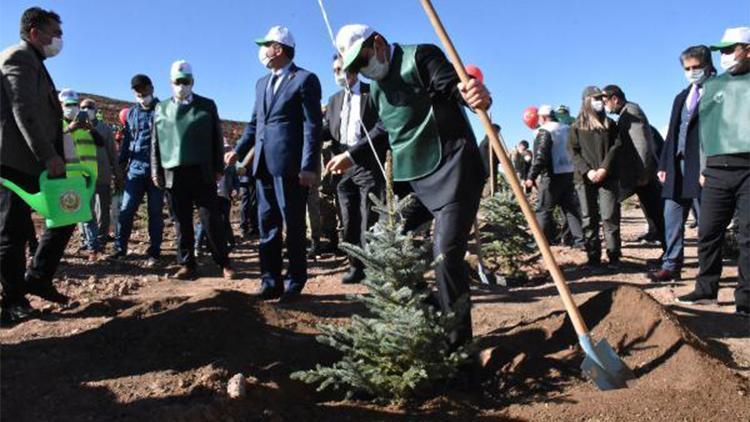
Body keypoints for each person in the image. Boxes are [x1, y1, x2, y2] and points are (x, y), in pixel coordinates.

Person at [325, 25, 490, 349]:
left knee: (445, 258)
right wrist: (349, 154)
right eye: (356, 66)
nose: (364, 69)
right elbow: (384, 129)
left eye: (365, 58)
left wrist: (473, 94)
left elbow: (453, 87)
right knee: (380, 246)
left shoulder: (421, 56)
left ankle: (461, 357)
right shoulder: (378, 89)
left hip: (455, 172)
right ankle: (432, 318)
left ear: (379, 42)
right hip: (417, 180)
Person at [226, 26, 322, 302]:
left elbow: (312, 126)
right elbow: (255, 124)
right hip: (263, 166)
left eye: (266, 45)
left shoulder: (304, 80)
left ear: (279, 49)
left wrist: (308, 165)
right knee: (267, 224)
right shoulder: (261, 83)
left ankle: (294, 282)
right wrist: (238, 150)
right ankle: (270, 280)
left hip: (291, 167)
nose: (262, 51)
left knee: (293, 224)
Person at [0, 7, 71, 323]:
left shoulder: (36, 63)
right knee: (12, 233)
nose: (59, 39)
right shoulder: (19, 58)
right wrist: (48, 155)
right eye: (54, 32)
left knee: (68, 212)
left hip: (38, 163)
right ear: (34, 33)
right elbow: (24, 111)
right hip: (15, 162)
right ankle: (13, 301)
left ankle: (38, 277)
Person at [677, 27, 750, 317]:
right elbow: (706, 130)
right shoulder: (713, 86)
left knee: (748, 236)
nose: (725, 56)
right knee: (707, 231)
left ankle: (745, 300)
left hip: (748, 169)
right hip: (717, 170)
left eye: (731, 49)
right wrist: (704, 168)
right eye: (721, 51)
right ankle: (706, 289)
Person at [151, 60, 235, 280]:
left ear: (193, 82)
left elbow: (217, 137)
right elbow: (155, 143)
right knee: (181, 222)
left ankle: (223, 262)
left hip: (202, 171)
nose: (182, 85)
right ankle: (187, 264)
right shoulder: (160, 108)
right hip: (173, 172)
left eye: (185, 81)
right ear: (170, 83)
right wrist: (155, 171)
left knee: (211, 219)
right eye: (177, 82)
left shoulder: (207, 105)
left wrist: (219, 167)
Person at [649, 46, 715, 282]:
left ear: (707, 64)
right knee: (672, 216)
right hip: (677, 167)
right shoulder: (682, 97)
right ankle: (671, 264)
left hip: (702, 167)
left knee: (706, 224)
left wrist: (710, 167)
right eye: (687, 68)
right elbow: (672, 135)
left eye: (696, 67)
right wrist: (664, 165)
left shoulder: (718, 91)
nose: (692, 72)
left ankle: (707, 273)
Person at [322, 54, 384, 284]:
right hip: (342, 167)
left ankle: (372, 267)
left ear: (354, 70)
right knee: (349, 219)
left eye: (343, 69)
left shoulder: (372, 93)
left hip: (367, 163)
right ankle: (355, 264)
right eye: (335, 70)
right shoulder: (334, 99)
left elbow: (382, 126)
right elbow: (328, 130)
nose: (339, 74)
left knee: (370, 218)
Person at [110, 74, 164, 267]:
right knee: (126, 210)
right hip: (135, 171)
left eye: (144, 89)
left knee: (155, 212)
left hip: (157, 172)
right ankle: (119, 249)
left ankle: (154, 252)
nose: (141, 93)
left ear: (151, 87)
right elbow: (127, 142)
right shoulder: (131, 113)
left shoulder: (163, 110)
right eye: (137, 90)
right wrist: (120, 167)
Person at [602, 85, 665, 248]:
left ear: (614, 99)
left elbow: (641, 144)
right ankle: (667, 251)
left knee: (655, 212)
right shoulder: (625, 113)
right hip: (637, 173)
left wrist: (643, 174)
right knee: (654, 211)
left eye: (605, 102)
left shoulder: (631, 111)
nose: (605, 107)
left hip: (640, 173)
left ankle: (670, 254)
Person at [567, 86, 622, 269]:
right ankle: (593, 258)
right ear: (586, 101)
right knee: (589, 218)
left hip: (608, 177)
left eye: (601, 98)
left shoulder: (610, 125)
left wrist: (604, 168)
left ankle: (614, 256)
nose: (600, 101)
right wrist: (587, 170)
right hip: (584, 179)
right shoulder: (576, 126)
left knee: (609, 216)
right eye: (595, 98)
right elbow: (573, 152)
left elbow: (616, 147)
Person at [524, 105, 583, 247]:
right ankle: (580, 240)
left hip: (552, 175)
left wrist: (531, 176)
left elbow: (540, 156)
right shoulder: (567, 128)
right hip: (569, 173)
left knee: (543, 209)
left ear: (543, 117)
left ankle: (540, 242)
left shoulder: (545, 131)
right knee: (570, 208)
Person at [59, 89, 104, 260]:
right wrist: (70, 128)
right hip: (66, 177)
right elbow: (54, 142)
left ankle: (94, 249)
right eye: (68, 105)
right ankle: (59, 249)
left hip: (87, 177)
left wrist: (90, 128)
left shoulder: (87, 124)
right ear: (62, 106)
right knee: (66, 215)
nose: (72, 108)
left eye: (74, 105)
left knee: (87, 213)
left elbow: (101, 143)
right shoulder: (59, 125)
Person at [81, 98, 123, 249]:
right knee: (86, 209)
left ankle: (101, 237)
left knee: (104, 209)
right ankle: (87, 239)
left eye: (90, 107)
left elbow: (112, 152)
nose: (87, 110)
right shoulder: (77, 128)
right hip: (84, 175)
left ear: (96, 109)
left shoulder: (105, 129)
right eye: (83, 107)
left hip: (103, 174)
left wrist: (117, 174)